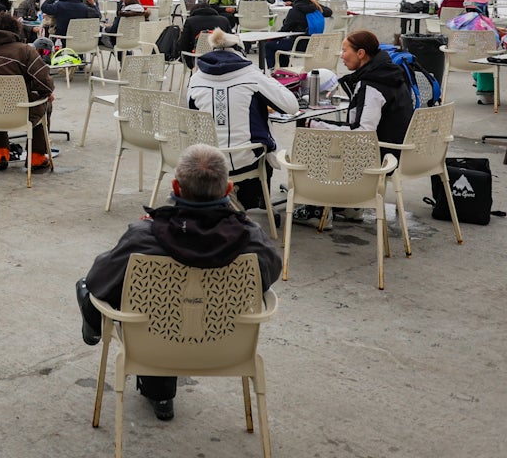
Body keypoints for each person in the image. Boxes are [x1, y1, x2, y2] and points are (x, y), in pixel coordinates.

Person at [79, 144, 282, 422]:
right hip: (226, 346)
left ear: (175, 186)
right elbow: (268, 277)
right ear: (228, 189)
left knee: (133, 300)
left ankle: (161, 393)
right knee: (180, 304)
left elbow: (100, 280)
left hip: (156, 342)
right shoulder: (253, 240)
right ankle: (160, 394)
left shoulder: (143, 238)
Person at [296, 30, 414, 228]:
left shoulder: (373, 85)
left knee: (312, 138)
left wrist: (318, 126)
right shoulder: (391, 74)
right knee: (320, 130)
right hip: (397, 150)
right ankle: (349, 207)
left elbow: (362, 134)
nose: (341, 55)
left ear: (361, 53)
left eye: (344, 51)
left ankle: (315, 209)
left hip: (380, 156)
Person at [187, 29, 299, 209]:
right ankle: (251, 201)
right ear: (241, 50)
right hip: (247, 158)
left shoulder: (196, 78)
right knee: (265, 144)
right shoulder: (251, 74)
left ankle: (226, 196)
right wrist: (268, 79)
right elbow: (292, 106)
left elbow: (191, 117)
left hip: (207, 159)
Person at [0, 13, 54, 170]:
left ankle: (0, 153)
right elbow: (44, 83)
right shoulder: (25, 52)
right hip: (21, 114)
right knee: (44, 103)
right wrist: (45, 93)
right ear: (15, 31)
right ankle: (36, 156)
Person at [445, 0, 506, 104]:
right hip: (482, 63)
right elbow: (495, 43)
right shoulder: (486, 23)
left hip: (458, 61)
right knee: (487, 54)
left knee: (478, 52)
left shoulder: (456, 22)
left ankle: (475, 76)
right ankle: (486, 95)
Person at [265, 0, 332, 68]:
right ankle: (286, 68)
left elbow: (285, 30)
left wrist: (272, 37)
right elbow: (329, 12)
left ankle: (274, 70)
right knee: (281, 45)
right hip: (315, 44)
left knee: (270, 45)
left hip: (300, 44)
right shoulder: (316, 7)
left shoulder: (295, 11)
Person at [177, 1, 232, 66]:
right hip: (219, 58)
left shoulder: (190, 21)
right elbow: (230, 42)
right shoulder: (224, 20)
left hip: (196, 58)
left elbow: (183, 44)